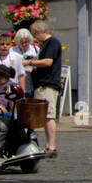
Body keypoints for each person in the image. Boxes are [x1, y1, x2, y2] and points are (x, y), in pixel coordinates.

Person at [28, 20, 63, 157]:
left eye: (34, 34)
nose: (34, 37)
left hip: (47, 84)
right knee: (45, 116)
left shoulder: (52, 43)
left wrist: (30, 62)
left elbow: (48, 62)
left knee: (48, 116)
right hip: (43, 83)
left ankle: (51, 146)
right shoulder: (46, 44)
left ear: (40, 31)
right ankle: (48, 145)